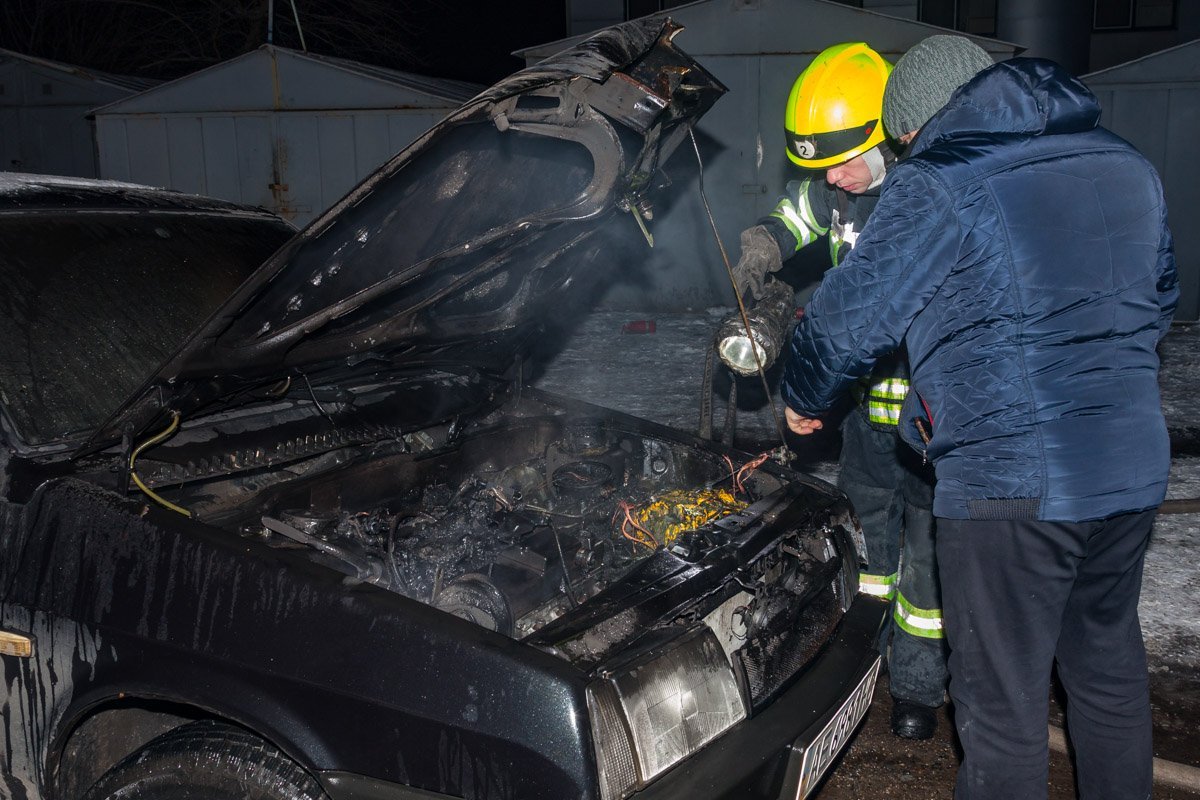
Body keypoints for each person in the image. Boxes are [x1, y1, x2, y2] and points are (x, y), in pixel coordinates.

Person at [781, 34, 1177, 800]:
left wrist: (802, 393)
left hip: (1012, 485)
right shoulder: (1126, 162)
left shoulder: (938, 179)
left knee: (1003, 711)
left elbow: (846, 321)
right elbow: (1159, 297)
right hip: (1129, 469)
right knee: (1107, 677)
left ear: (918, 123)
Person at [731, 41, 948, 739]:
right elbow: (797, 212)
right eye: (823, 169)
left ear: (887, 137)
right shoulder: (838, 190)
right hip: (865, 427)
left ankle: (918, 690)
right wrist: (763, 242)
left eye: (846, 163)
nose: (837, 181)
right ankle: (860, 667)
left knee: (926, 569)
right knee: (871, 556)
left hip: (932, 429)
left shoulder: (927, 196)